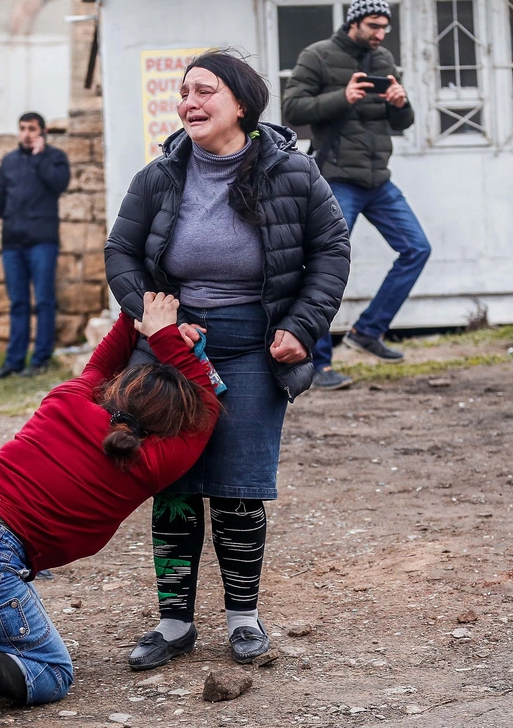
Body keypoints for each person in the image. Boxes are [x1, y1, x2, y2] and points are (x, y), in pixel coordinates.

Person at [0, 292, 220, 728]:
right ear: (170, 429)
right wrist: (168, 338)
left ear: (113, 388)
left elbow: (105, 356)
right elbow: (208, 405)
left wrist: (142, 313)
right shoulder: (151, 465)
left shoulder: (67, 399)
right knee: (50, 672)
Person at [105, 50, 350, 670]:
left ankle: (243, 618)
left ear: (240, 102)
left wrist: (304, 325)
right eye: (184, 92)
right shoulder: (160, 175)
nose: (189, 102)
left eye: (204, 91)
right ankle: (174, 622)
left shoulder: (293, 173)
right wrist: (152, 317)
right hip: (173, 346)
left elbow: (330, 248)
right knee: (174, 484)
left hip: (254, 345)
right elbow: (121, 252)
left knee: (239, 489)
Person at [282, 0, 430, 390]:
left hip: (377, 180)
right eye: (374, 26)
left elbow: (402, 124)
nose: (382, 33)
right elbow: (292, 110)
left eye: (385, 26)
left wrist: (401, 103)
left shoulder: (383, 60)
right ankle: (318, 361)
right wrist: (341, 97)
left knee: (417, 248)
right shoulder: (317, 56)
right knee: (325, 267)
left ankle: (368, 331)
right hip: (335, 179)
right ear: (355, 23)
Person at [0, 112, 71, 380]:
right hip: (13, 243)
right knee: (17, 303)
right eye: (22, 128)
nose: (26, 133)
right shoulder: (9, 161)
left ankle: (40, 359)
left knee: (43, 301)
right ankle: (13, 362)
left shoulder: (55, 158)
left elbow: (59, 184)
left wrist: (40, 158)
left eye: (31, 128)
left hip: (42, 242)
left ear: (43, 131)